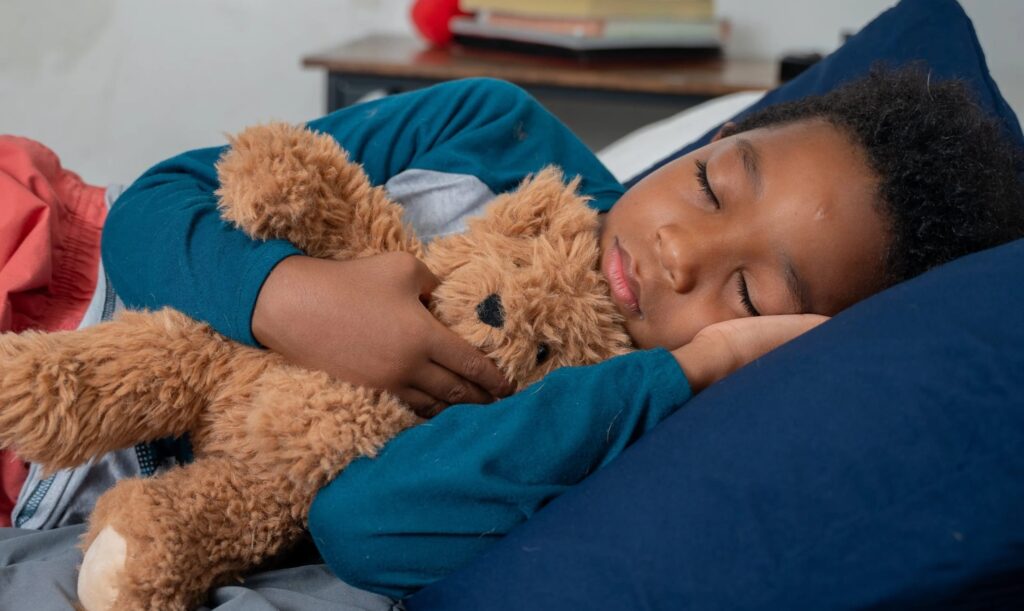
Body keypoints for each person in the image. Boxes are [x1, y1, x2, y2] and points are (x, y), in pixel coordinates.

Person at [5, 65, 1024, 595]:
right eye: (713, 183)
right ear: (717, 138)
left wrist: (698, 367)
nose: (679, 252)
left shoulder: (609, 414)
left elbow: (368, 524)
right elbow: (160, 203)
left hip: (88, 480)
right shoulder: (490, 124)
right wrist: (289, 294)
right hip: (88, 283)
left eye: (750, 293)